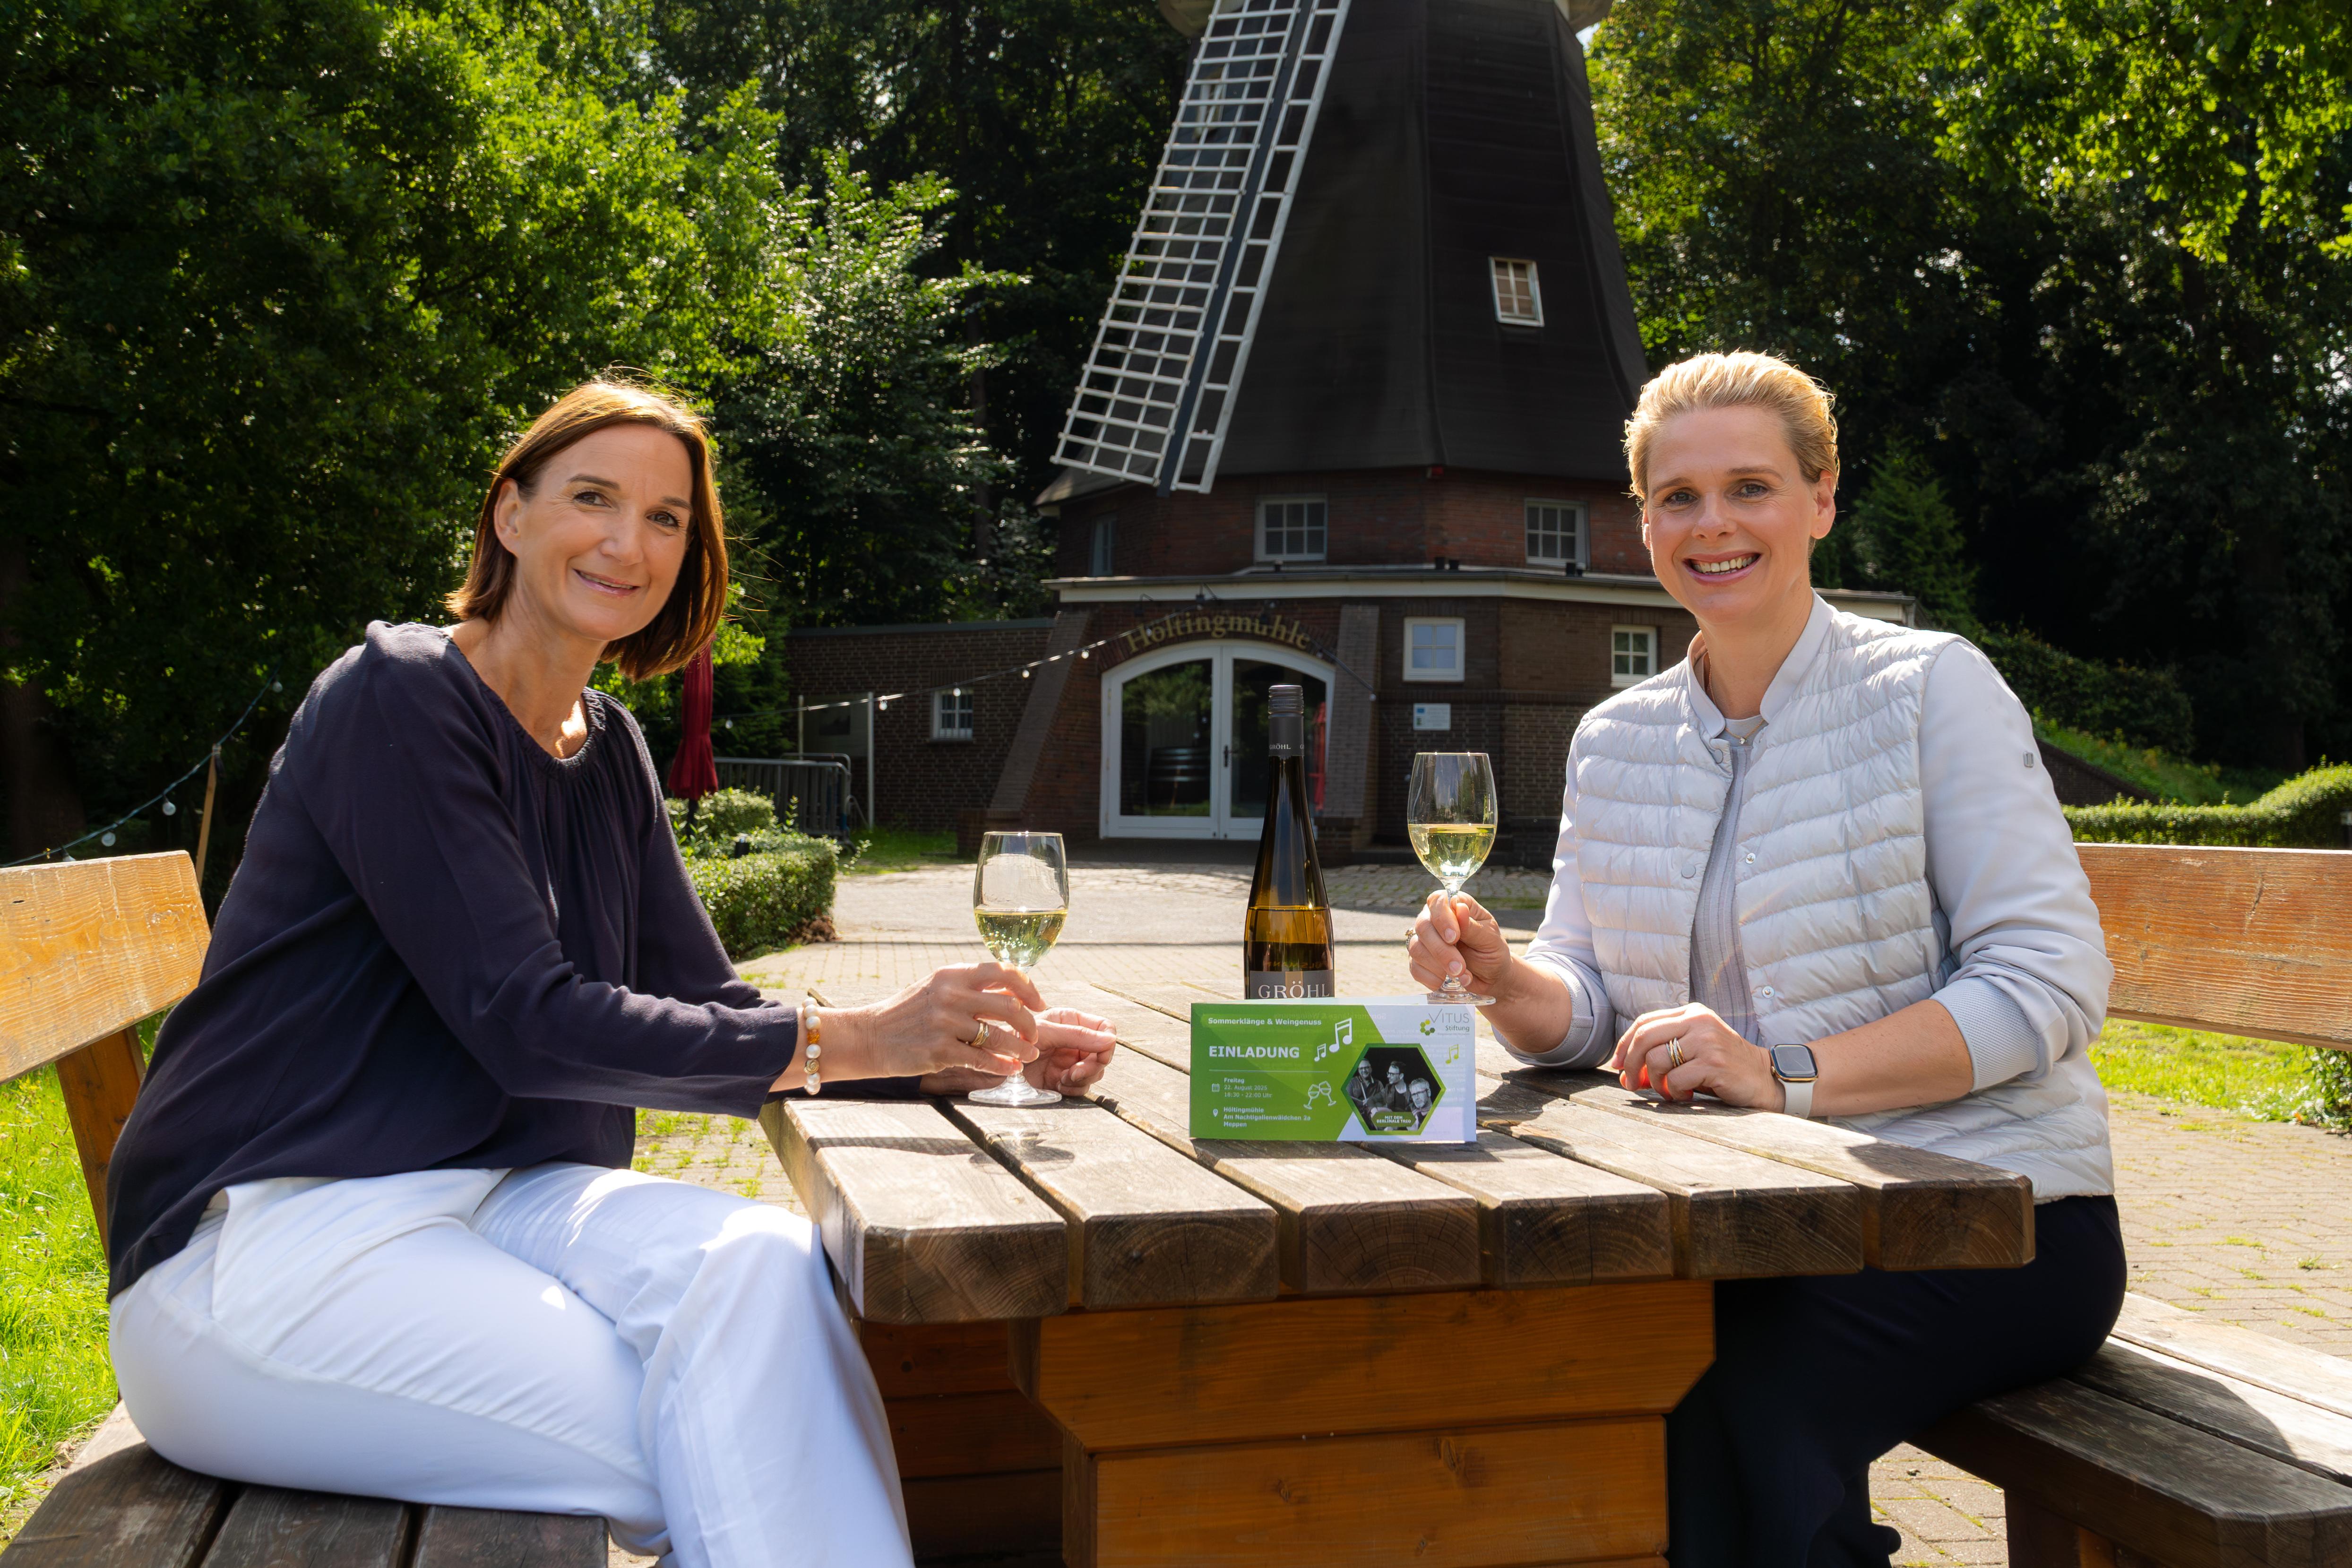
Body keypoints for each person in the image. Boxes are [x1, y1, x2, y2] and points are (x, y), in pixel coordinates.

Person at [103, 380, 1117, 1568]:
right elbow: (522, 1020)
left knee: (760, 1264)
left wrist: (947, 1048)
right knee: (735, 1441)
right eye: (593, 498)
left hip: (508, 1197)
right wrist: (856, 1040)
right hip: (275, 1243)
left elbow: (712, 999)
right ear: (510, 516)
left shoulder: (609, 742)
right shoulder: (400, 694)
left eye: (666, 519)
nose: (628, 542)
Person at [1404, 352, 2123, 1567]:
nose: (1712, 523)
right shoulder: (1613, 735)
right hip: (1725, 1220)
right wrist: (1502, 977)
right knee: (1530, 1357)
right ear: (1641, 524)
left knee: (1726, 1396)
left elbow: (2045, 983)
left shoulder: (1929, 689)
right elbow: (1585, 997)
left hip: (1988, 1221)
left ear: (1820, 500)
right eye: (1675, 497)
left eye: (1749, 486)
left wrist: (1784, 1071)